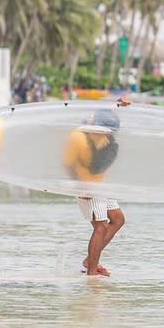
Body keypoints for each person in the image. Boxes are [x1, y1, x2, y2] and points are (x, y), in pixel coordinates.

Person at [63, 108, 125, 276]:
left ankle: (88, 262)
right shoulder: (78, 136)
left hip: (101, 186)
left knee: (118, 219)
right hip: (86, 188)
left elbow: (104, 114)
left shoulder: (103, 129)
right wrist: (79, 187)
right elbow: (67, 164)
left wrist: (118, 105)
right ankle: (91, 271)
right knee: (100, 227)